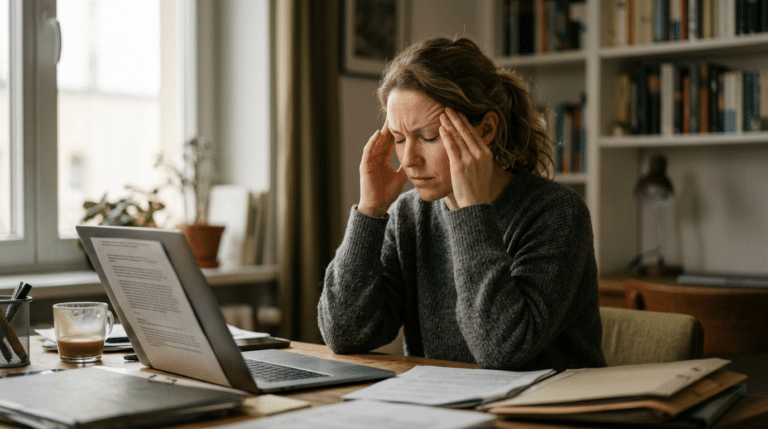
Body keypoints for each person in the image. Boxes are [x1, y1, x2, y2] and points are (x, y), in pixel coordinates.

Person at [317, 37, 606, 371]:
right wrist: (370, 210)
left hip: (550, 415)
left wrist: (472, 212)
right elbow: (344, 333)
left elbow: (501, 349)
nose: (408, 159)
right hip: (445, 413)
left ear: (485, 129)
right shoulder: (408, 215)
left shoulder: (558, 214)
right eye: (398, 139)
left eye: (428, 137)